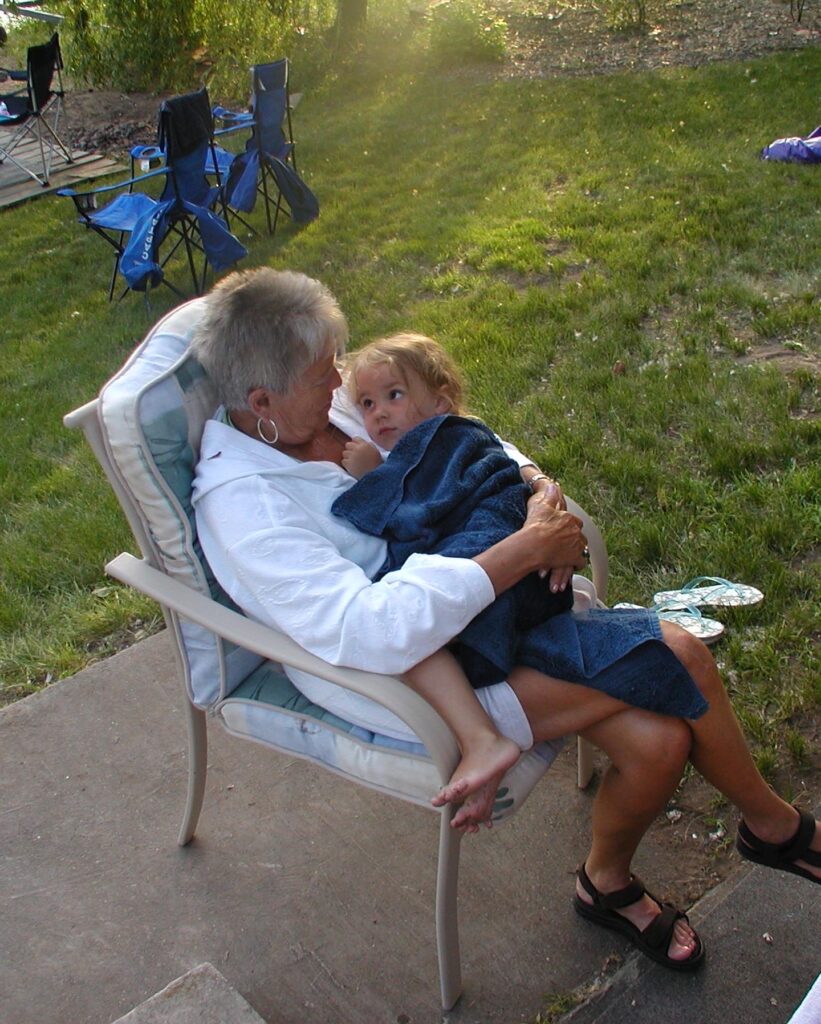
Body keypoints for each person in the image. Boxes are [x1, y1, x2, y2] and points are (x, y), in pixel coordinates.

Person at [190, 267, 820, 974]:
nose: (339, 384)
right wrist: (518, 553)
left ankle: (603, 886)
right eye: (321, 373)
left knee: (659, 744)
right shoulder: (244, 507)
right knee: (678, 659)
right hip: (410, 677)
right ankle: (778, 830)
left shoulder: (326, 412)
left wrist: (535, 493)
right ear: (259, 402)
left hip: (485, 613)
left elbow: (459, 438)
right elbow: (365, 630)